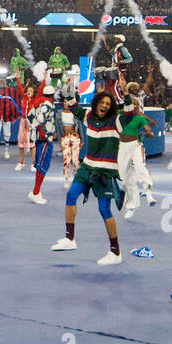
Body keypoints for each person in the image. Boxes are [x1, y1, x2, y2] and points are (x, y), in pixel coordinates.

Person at [51, 90, 131, 264]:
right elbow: (72, 106)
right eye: (102, 102)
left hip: (105, 172)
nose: (104, 106)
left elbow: (130, 113)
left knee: (104, 210)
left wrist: (126, 94)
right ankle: (70, 239)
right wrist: (67, 89)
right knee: (71, 195)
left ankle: (115, 252)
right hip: (87, 167)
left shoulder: (116, 121)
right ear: (96, 103)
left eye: (108, 104)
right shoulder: (88, 116)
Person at [117, 84, 157, 219]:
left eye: (136, 104)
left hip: (135, 145)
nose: (133, 106)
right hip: (123, 147)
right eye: (131, 103)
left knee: (140, 167)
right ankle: (132, 204)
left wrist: (149, 133)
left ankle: (149, 193)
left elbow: (147, 128)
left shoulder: (140, 118)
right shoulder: (121, 116)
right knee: (124, 175)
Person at [25, 82, 60, 205]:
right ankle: (35, 192)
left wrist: (35, 132)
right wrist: (44, 132)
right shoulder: (47, 105)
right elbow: (40, 119)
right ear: (52, 96)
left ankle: (36, 191)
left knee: (40, 164)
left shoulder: (37, 103)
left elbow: (29, 116)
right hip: (45, 139)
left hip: (39, 139)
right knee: (43, 165)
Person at [0, 79, 24, 161]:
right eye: (1, 82)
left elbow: (20, 92)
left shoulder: (11, 91)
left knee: (7, 134)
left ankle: (6, 150)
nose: (2, 83)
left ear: (6, 83)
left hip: (7, 115)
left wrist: (18, 79)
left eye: (3, 82)